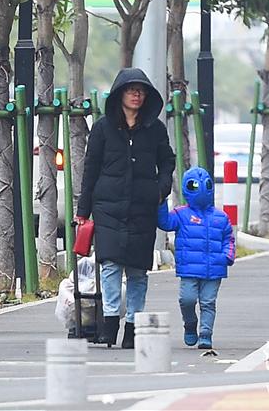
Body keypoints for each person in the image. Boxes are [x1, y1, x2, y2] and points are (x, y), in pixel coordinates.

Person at [75, 68, 175, 349]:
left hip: (143, 207)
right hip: (107, 207)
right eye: (131, 90)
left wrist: (160, 189)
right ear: (120, 94)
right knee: (109, 265)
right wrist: (83, 211)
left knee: (138, 271)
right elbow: (90, 169)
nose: (136, 95)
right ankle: (109, 323)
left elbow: (167, 162)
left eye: (141, 90)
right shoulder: (103, 128)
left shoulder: (155, 129)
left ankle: (133, 326)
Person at [157, 167, 235, 349]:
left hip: (214, 269)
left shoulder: (220, 217)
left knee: (208, 302)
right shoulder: (181, 214)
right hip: (189, 269)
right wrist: (161, 202)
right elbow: (165, 223)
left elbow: (228, 238)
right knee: (187, 299)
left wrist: (227, 256)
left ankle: (206, 334)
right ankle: (190, 324)